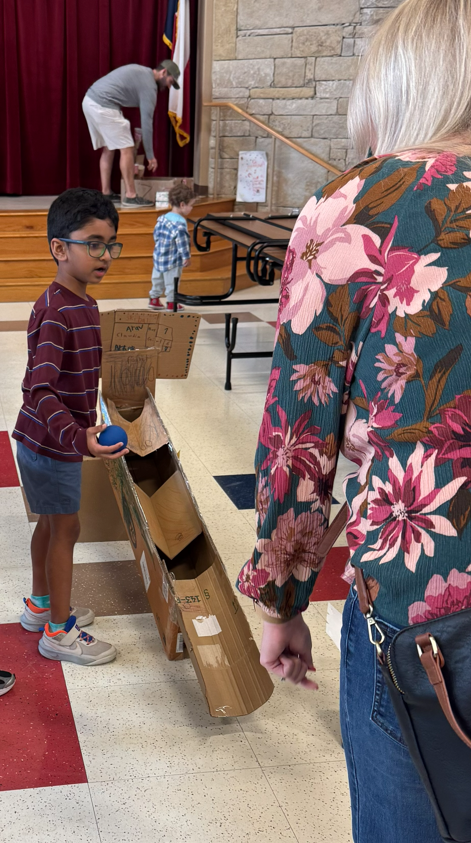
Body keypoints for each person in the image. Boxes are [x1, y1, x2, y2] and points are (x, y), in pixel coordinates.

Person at [236, 1, 471, 841]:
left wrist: (282, 601)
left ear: (395, 74)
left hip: (429, 627)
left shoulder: (364, 204)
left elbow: (297, 433)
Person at [12, 189, 129, 667]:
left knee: (53, 523)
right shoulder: (58, 310)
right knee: (67, 529)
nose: (105, 255)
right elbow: (39, 390)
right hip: (50, 442)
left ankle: (41, 605)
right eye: (93, 244)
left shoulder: (83, 303)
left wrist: (85, 420)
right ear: (60, 248)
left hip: (48, 439)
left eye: (111, 244)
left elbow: (73, 377)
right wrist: (76, 436)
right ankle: (58, 632)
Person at [82, 60, 181, 207]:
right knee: (127, 147)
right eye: (169, 82)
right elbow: (147, 124)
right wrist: (150, 156)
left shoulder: (142, 72)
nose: (168, 86)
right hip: (103, 104)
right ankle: (130, 196)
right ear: (163, 72)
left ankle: (106, 193)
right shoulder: (149, 87)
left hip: (90, 100)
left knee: (109, 148)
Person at [148, 181, 194, 311]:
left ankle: (154, 299)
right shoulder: (180, 224)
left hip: (159, 257)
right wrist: (186, 257)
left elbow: (155, 234)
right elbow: (183, 243)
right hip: (173, 260)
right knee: (172, 281)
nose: (192, 208)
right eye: (191, 205)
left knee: (157, 279)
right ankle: (172, 303)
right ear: (182, 205)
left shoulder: (162, 218)